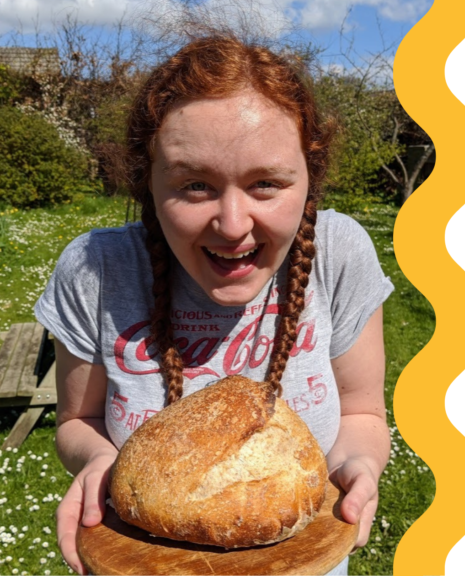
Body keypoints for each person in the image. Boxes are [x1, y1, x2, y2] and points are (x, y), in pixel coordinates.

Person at [33, 35, 394, 575]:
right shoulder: (98, 269)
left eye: (266, 184)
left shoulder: (337, 254)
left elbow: (362, 412)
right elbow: (77, 419)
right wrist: (99, 461)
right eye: (195, 185)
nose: (232, 225)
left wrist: (358, 463)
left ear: (309, 182)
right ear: (148, 183)